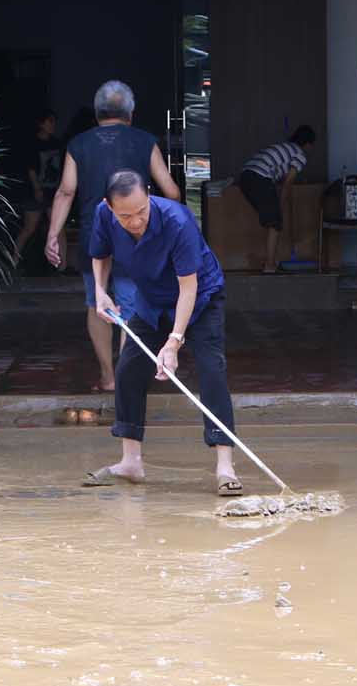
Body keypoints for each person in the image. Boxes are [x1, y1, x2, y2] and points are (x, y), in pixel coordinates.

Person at [80, 169, 241, 497]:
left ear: (149, 197)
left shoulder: (177, 220)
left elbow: (189, 287)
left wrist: (174, 341)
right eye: (126, 215)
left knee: (211, 370)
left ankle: (225, 465)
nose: (136, 221)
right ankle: (130, 463)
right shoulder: (104, 215)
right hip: (152, 301)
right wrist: (100, 291)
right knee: (128, 370)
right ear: (109, 207)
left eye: (141, 212)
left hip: (199, 300)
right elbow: (100, 254)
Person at [47, 81, 181, 392]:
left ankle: (107, 376)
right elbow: (172, 191)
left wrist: (53, 235)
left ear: (96, 114)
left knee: (97, 302)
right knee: (131, 304)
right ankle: (125, 377)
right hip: (136, 234)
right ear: (131, 114)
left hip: (93, 233)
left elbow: (66, 190)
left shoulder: (78, 144)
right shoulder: (145, 141)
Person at [237, 125, 316, 273]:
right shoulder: (300, 155)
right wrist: (281, 206)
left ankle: (272, 259)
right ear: (308, 144)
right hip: (260, 178)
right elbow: (287, 183)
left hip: (245, 177)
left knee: (270, 221)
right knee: (275, 223)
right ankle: (270, 265)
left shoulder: (285, 147)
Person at [12, 110, 63, 268]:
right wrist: (37, 189)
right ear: (41, 124)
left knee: (59, 227)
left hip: (54, 190)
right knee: (30, 227)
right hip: (36, 191)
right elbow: (31, 169)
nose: (52, 125)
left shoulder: (56, 143)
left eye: (54, 122)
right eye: (49, 121)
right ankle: (13, 260)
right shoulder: (33, 144)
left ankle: (63, 265)